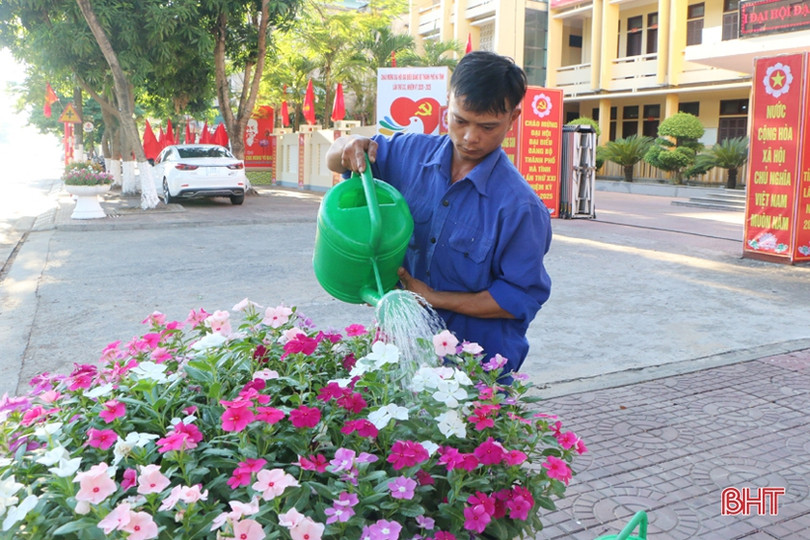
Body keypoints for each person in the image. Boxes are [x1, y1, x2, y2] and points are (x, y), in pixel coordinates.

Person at [326, 51, 551, 382]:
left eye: (488, 126)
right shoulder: (406, 154)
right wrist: (347, 145)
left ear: (513, 118)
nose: (470, 137)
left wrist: (433, 298)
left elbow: (517, 298)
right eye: (460, 120)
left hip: (475, 368)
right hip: (401, 349)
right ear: (448, 105)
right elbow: (338, 160)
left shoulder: (520, 208)